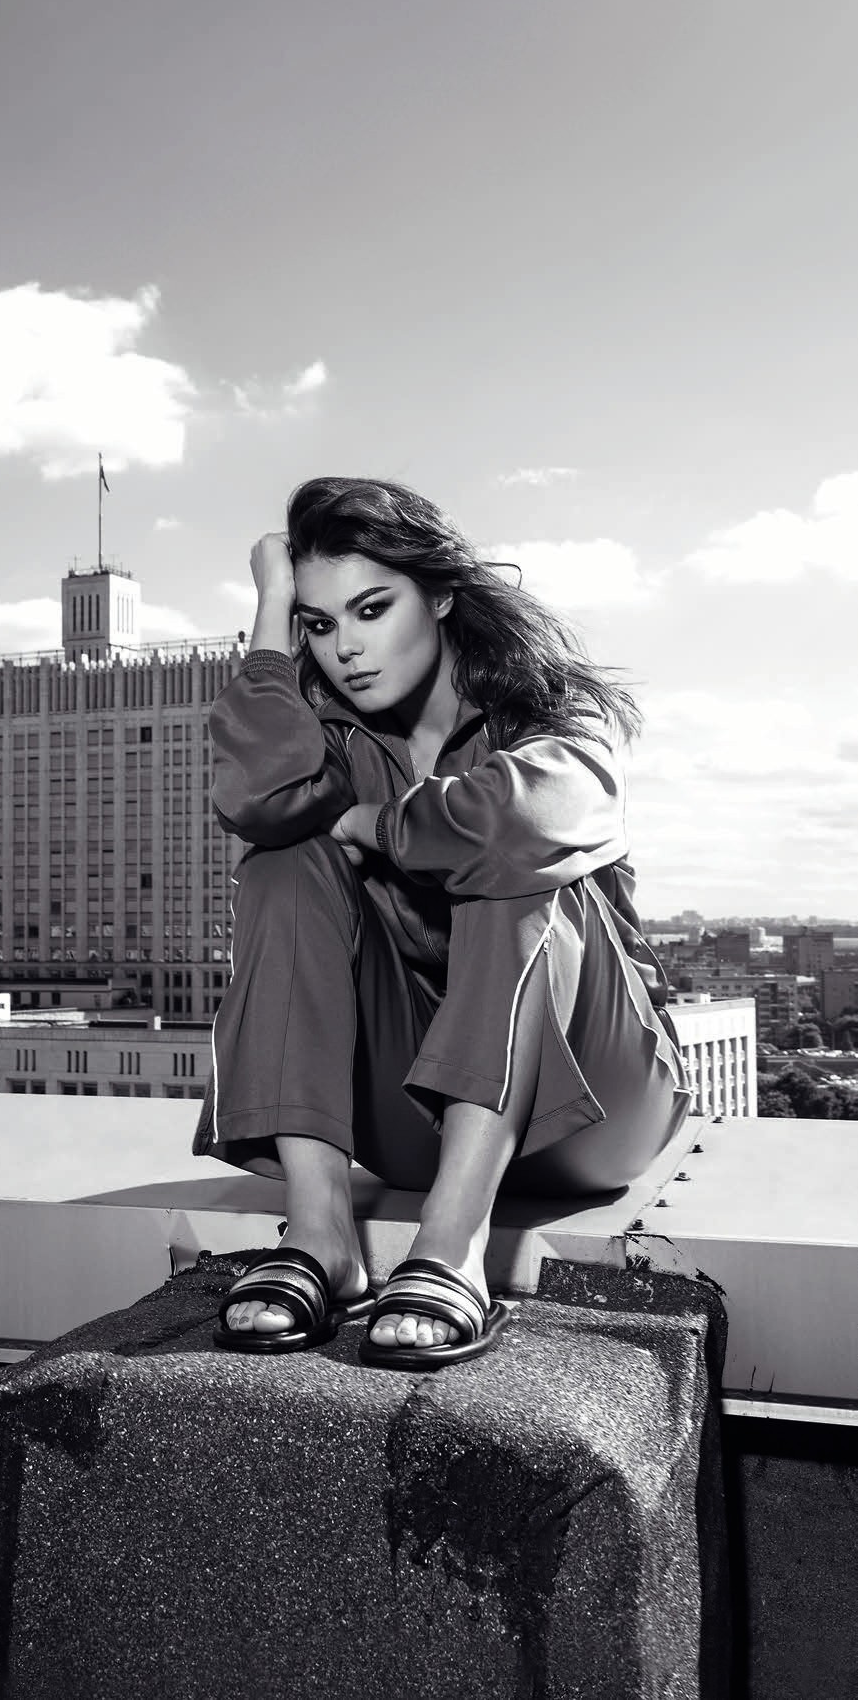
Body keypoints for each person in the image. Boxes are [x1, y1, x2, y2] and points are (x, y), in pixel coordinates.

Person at [192, 477, 692, 1369]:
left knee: (514, 874)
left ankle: (453, 1245)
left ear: (440, 595)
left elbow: (524, 821)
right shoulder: (336, 735)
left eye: (371, 609)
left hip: (593, 1106)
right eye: (318, 624)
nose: (345, 648)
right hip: (413, 1122)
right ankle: (320, 1234)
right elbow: (256, 800)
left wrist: (374, 824)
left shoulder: (547, 709)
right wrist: (268, 614)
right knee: (283, 863)